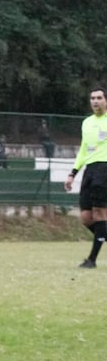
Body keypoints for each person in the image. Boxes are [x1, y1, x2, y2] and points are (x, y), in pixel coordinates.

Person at [65, 87, 107, 269]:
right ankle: (102, 236)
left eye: (99, 98)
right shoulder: (87, 123)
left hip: (104, 168)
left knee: (100, 213)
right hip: (89, 170)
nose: (95, 101)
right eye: (92, 98)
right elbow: (83, 149)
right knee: (86, 217)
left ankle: (92, 260)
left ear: (106, 100)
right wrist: (73, 173)